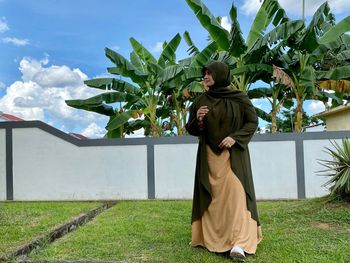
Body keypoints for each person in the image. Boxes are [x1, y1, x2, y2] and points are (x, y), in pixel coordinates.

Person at [186, 61, 262, 261]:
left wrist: (235, 137)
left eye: (210, 73)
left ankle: (239, 243)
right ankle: (214, 237)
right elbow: (192, 129)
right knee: (213, 199)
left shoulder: (240, 98)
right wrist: (199, 120)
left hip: (233, 157)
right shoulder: (201, 100)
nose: (206, 77)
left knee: (237, 195)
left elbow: (253, 122)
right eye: (205, 74)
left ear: (220, 75)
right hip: (210, 159)